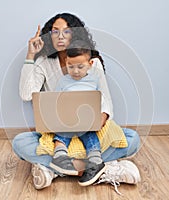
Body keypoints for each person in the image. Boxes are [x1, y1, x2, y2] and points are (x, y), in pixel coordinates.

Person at [12, 12, 141, 190]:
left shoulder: (92, 63)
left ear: (76, 35)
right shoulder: (43, 62)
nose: (60, 37)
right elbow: (27, 95)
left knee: (132, 139)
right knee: (20, 143)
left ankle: (57, 170)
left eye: (66, 31)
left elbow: (106, 102)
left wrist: (99, 120)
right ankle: (100, 168)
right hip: (58, 136)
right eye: (55, 31)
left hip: (90, 131)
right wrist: (30, 55)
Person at [50, 40, 106, 186]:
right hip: (67, 120)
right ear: (66, 63)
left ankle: (95, 161)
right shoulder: (63, 81)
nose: (75, 71)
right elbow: (55, 101)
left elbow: (101, 101)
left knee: (90, 135)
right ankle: (60, 157)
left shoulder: (94, 80)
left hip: (87, 121)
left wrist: (100, 117)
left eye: (80, 67)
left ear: (90, 64)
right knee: (61, 132)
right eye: (70, 66)